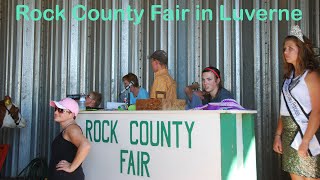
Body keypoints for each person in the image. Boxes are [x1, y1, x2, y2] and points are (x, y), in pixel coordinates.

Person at [273, 25, 320, 180]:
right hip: (289, 136)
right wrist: (278, 135)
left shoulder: (311, 76)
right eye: (284, 49)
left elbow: (317, 111)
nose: (285, 52)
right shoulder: (288, 79)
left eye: (290, 48)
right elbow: (284, 110)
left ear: (301, 50)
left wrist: (306, 141)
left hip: (308, 134)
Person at [48, 97, 91, 180]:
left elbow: (86, 145)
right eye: (56, 109)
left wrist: (71, 167)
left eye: (61, 110)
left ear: (71, 114)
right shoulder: (68, 129)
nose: (56, 112)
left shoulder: (72, 129)